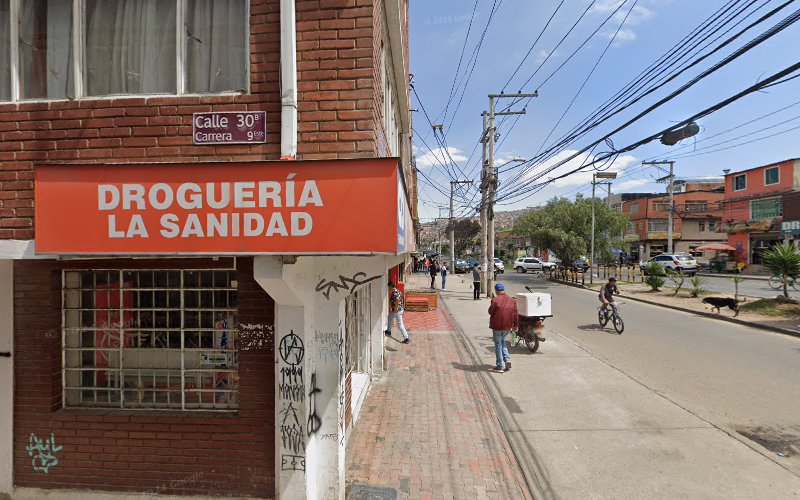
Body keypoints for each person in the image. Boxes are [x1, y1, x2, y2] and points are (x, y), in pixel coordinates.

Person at [488, 283, 517, 373]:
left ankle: (500, 366)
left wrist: (492, 302)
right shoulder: (512, 300)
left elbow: (490, 312)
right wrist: (515, 325)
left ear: (496, 290)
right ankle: (507, 360)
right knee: (502, 342)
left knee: (498, 345)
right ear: (503, 289)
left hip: (497, 326)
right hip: (507, 326)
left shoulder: (495, 300)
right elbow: (515, 314)